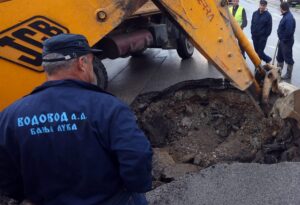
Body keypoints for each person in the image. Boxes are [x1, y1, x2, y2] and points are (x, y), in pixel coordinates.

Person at [0, 34, 153, 205]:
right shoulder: (109, 108)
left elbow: (4, 172)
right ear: (82, 63)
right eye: (91, 60)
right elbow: (137, 156)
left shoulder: (9, 117)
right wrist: (135, 186)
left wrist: (24, 195)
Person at [276, 2, 296, 80]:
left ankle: (288, 74)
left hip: (286, 42)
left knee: (288, 58)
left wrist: (283, 39)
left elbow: (289, 31)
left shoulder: (289, 18)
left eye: (280, 8)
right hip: (282, 41)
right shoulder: (286, 16)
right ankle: (278, 72)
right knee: (280, 57)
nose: (279, 9)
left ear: (282, 8)